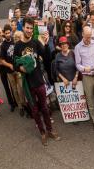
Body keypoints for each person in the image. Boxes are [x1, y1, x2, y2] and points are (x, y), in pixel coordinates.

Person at [13, 17, 60, 146]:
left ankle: (50, 130)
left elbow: (46, 57)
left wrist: (45, 43)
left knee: (44, 108)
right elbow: (14, 64)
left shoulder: (35, 42)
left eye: (31, 28)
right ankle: (42, 132)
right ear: (23, 27)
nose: (29, 30)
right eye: (27, 27)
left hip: (39, 81)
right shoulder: (18, 46)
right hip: (28, 84)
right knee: (34, 110)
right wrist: (21, 68)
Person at [0, 24, 25, 116]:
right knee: (14, 89)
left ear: (11, 32)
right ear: (4, 34)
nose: (8, 34)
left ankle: (23, 103)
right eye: (6, 33)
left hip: (17, 69)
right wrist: (9, 65)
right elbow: (1, 60)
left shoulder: (15, 41)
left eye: (9, 32)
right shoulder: (3, 45)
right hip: (9, 72)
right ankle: (20, 107)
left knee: (20, 88)